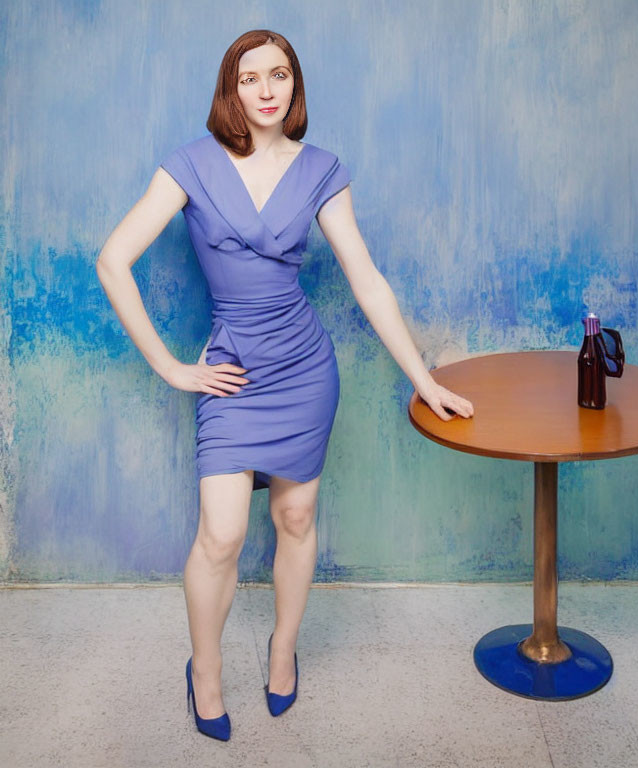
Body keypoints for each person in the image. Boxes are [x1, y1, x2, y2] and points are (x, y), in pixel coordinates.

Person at [96, 29, 474, 740]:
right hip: (233, 371)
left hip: (304, 370)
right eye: (250, 78)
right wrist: (172, 367)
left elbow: (366, 280)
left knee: (296, 518)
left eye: (279, 75)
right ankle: (203, 670)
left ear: (294, 86)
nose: (266, 90)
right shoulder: (189, 166)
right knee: (222, 534)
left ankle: (281, 647)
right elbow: (113, 260)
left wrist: (424, 377)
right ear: (230, 90)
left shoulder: (322, 169)